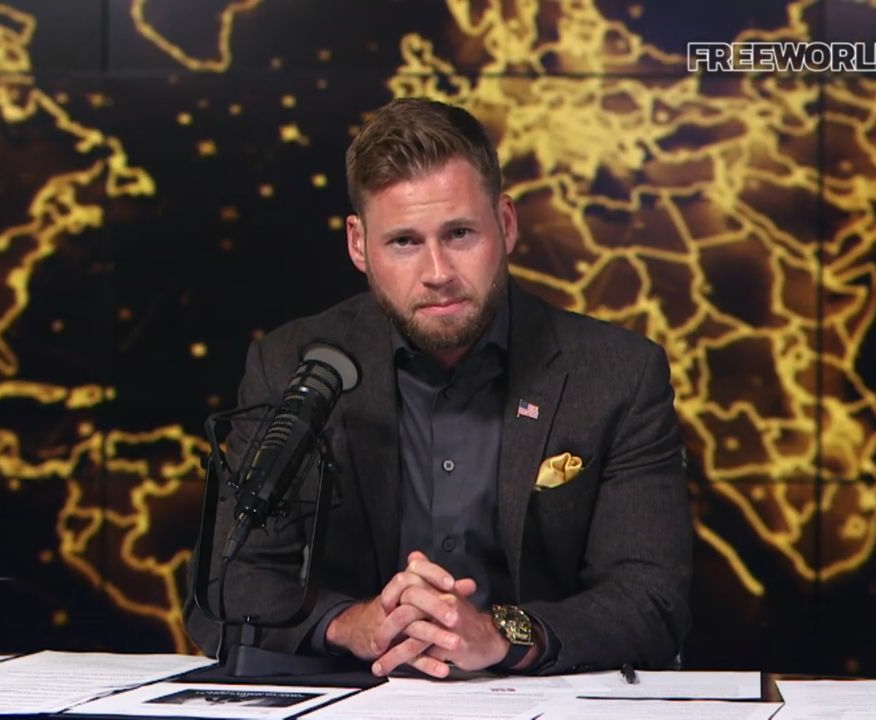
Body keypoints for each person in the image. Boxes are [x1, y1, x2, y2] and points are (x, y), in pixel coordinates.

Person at [185, 97, 692, 677]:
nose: (438, 273)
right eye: (404, 241)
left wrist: (501, 634)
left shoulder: (618, 374)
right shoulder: (289, 365)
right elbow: (225, 585)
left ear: (505, 224)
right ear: (358, 244)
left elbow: (653, 599)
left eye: (459, 233)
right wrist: (352, 624)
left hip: (539, 697)